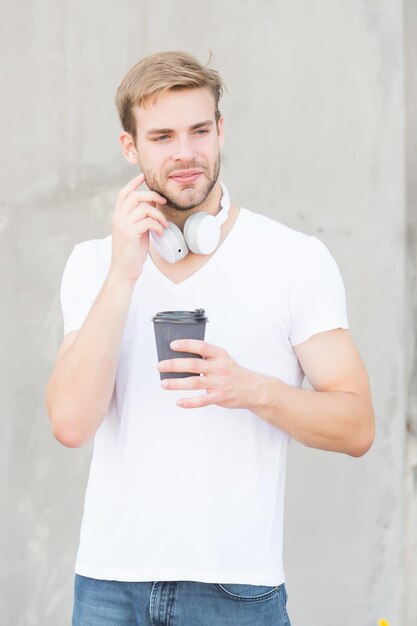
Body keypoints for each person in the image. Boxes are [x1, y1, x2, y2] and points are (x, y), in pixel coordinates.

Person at [45, 50, 375, 626]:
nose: (185, 153)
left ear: (221, 131)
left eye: (200, 130)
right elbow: (70, 423)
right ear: (131, 148)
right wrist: (125, 271)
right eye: (162, 136)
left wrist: (251, 389)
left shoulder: (294, 260)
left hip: (235, 590)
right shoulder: (94, 264)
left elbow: (358, 426)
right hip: (108, 588)